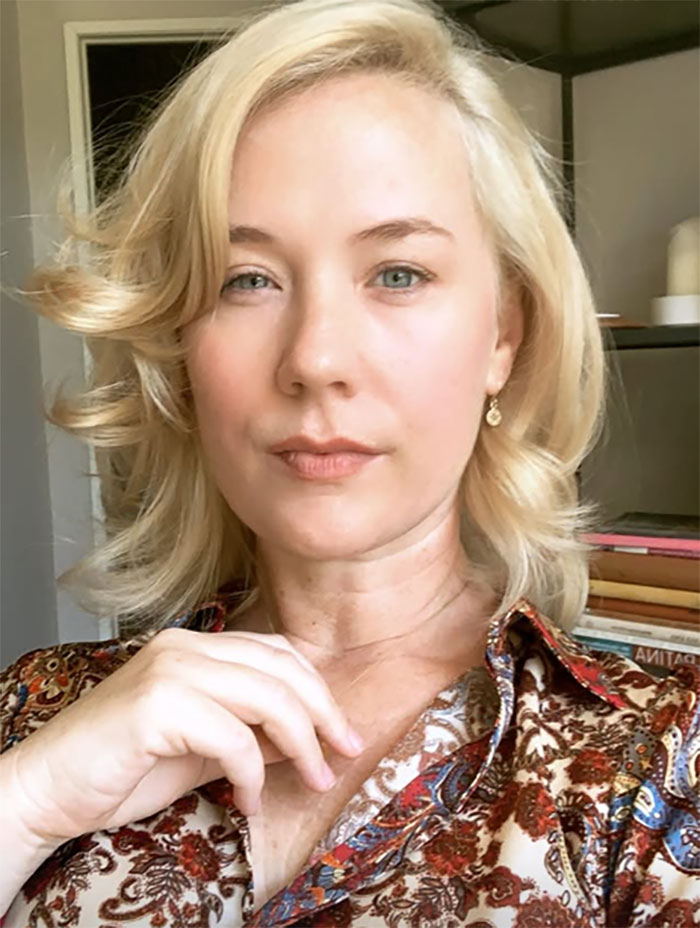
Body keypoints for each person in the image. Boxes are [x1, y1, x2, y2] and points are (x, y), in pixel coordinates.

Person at [1, 0, 698, 924]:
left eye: (398, 273)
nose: (316, 357)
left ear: (504, 333)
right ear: (180, 343)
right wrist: (29, 806)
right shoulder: (37, 711)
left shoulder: (661, 761)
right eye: (245, 279)